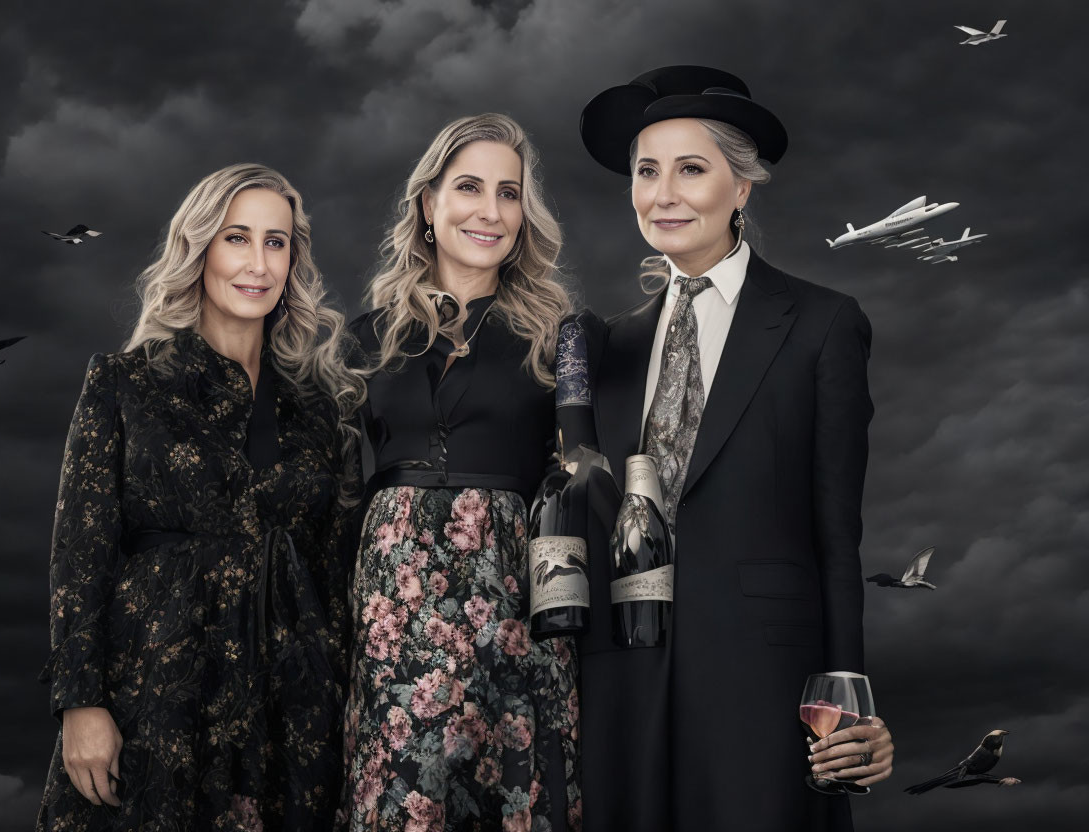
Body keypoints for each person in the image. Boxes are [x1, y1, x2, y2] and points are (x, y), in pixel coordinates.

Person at [573, 66, 895, 831]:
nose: (663, 193)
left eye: (692, 169)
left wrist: (845, 688)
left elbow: (835, 528)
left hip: (766, 677)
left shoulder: (821, 324)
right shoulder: (603, 346)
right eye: (646, 172)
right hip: (622, 675)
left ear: (742, 187)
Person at [35, 163, 364, 831]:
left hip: (291, 715)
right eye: (237, 237)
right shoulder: (126, 383)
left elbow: (335, 576)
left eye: (277, 242)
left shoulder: (320, 409)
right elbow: (81, 552)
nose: (258, 262)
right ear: (200, 248)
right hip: (155, 696)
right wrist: (80, 702)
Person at [337, 114, 582, 831]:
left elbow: (578, 477)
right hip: (394, 610)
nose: (491, 210)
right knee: (401, 803)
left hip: (513, 603)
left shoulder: (559, 337)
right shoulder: (362, 338)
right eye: (469, 187)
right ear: (427, 203)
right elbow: (337, 489)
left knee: (516, 797)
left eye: (510, 193)